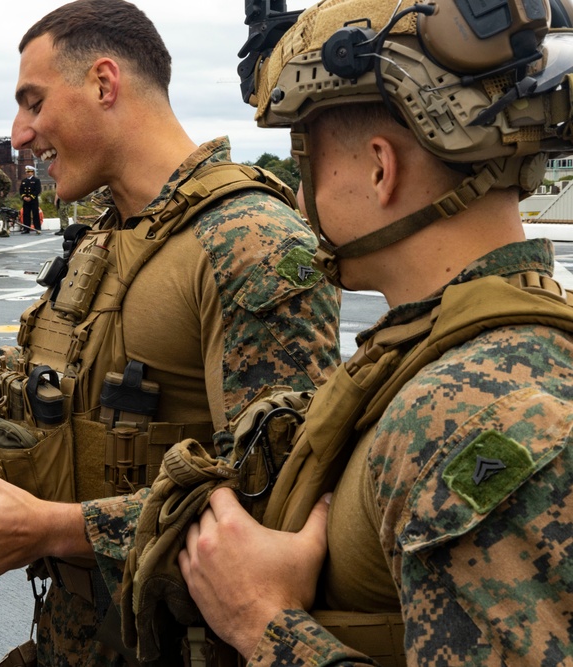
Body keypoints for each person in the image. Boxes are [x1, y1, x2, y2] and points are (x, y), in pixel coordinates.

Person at [0, 1, 340, 665]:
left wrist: (54, 528)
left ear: (103, 83)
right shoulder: (109, 235)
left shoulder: (248, 244)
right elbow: (57, 387)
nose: (18, 133)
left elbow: (274, 502)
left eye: (33, 102)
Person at [178, 0, 573, 664]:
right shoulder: (454, 351)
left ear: (380, 168)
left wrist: (262, 622)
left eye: (308, 155)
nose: (299, 199)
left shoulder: (464, 416)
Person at [19, 164, 42, 233]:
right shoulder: (24, 181)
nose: (27, 173)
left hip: (33, 200)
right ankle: (26, 228)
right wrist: (24, 197)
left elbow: (37, 190)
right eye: (26, 172)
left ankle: (37, 228)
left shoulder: (36, 180)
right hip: (26, 201)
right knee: (26, 214)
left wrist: (31, 197)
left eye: (28, 172)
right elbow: (21, 190)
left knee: (35, 214)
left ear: (32, 172)